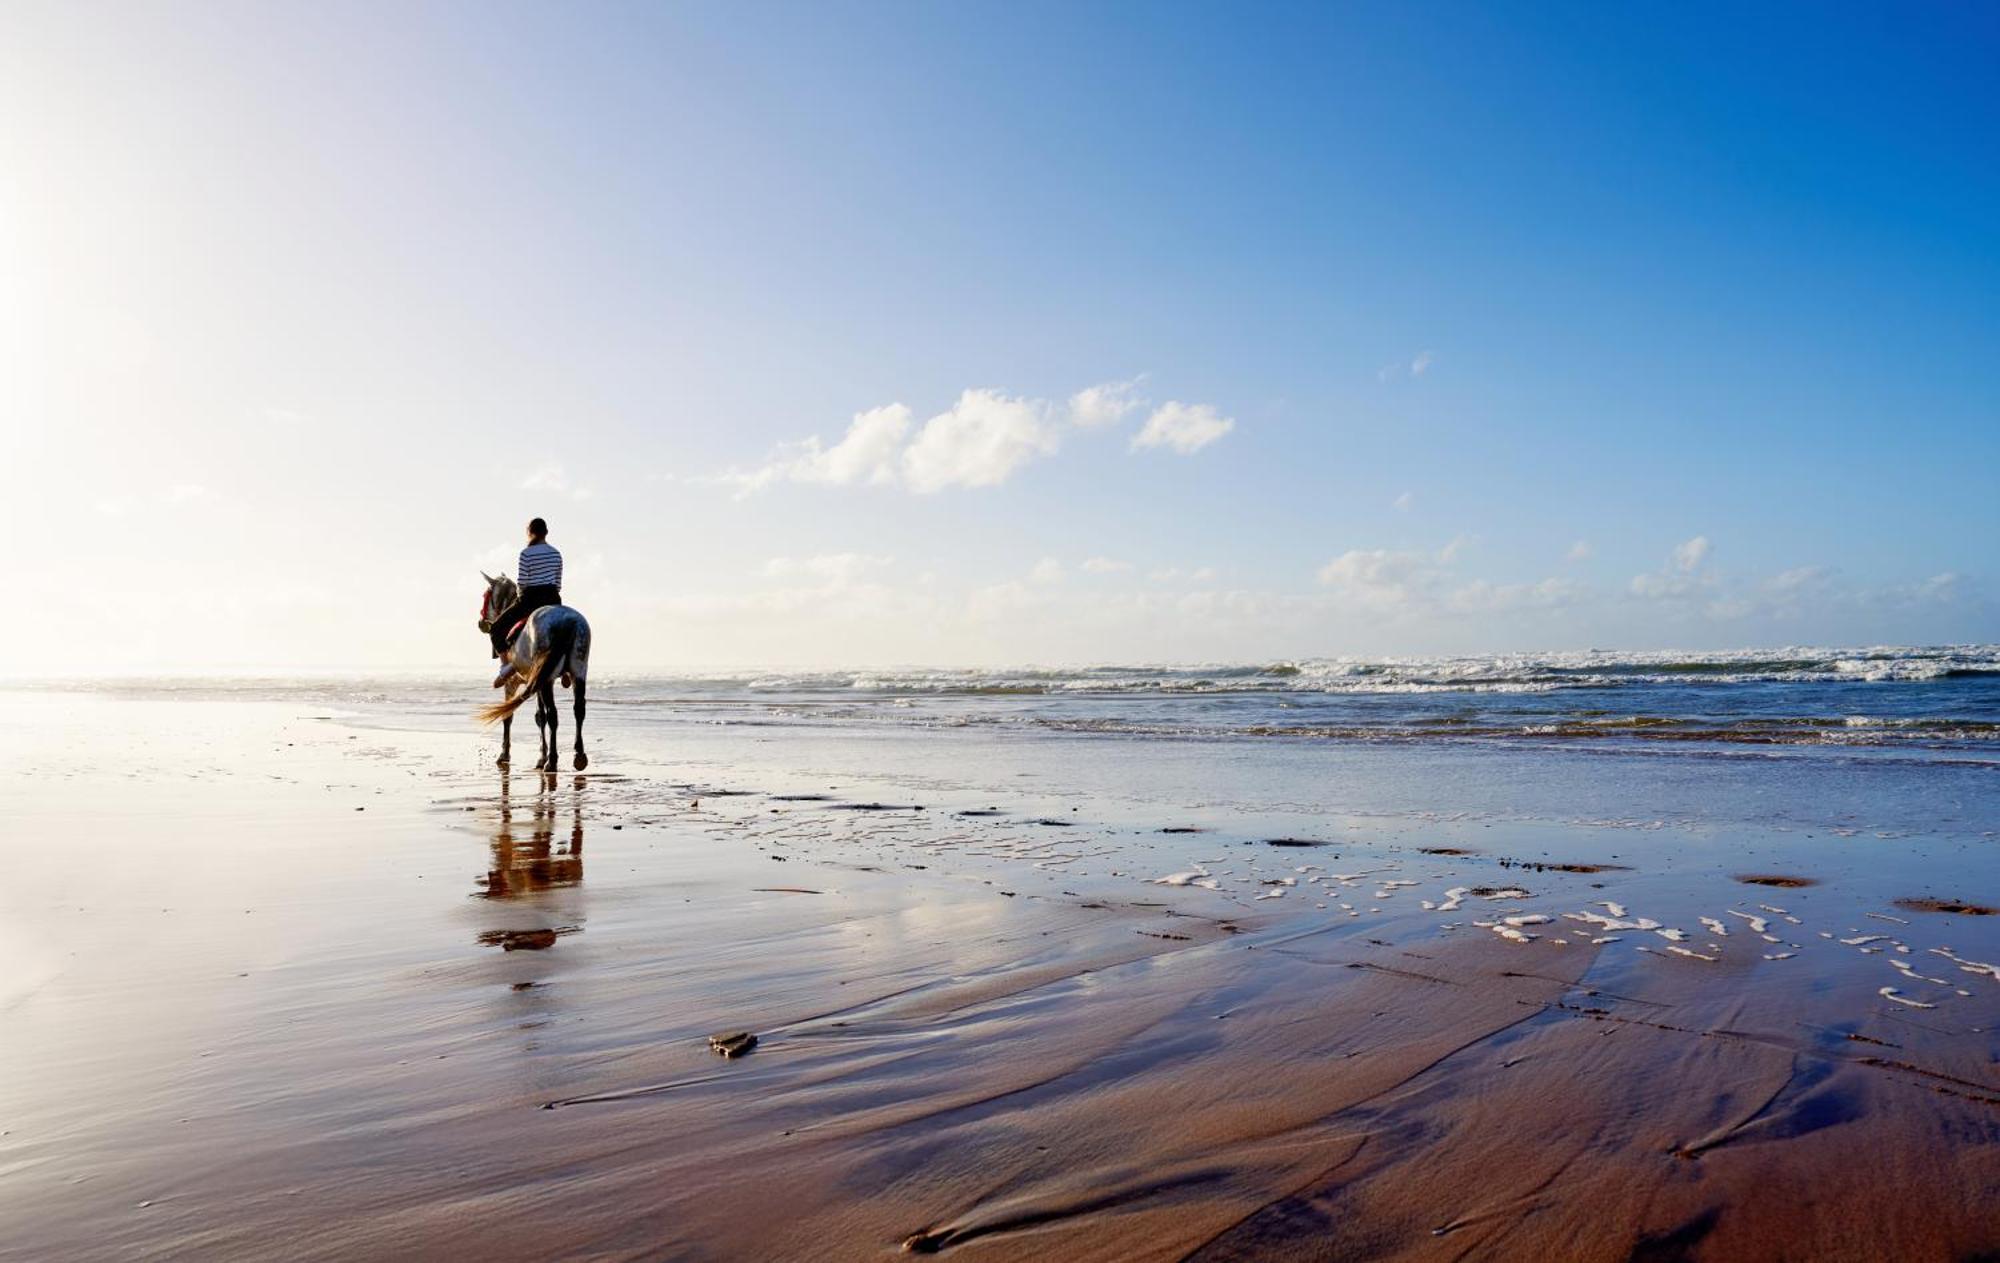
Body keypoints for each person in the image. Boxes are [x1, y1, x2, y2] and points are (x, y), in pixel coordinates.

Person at [490, 517, 564, 685]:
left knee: (496, 629)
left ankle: (506, 666)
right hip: (553, 599)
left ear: (529, 533)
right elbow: (558, 583)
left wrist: (521, 597)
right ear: (546, 533)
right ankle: (565, 668)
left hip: (530, 599)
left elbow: (522, 583)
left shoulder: (526, 553)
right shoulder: (556, 553)